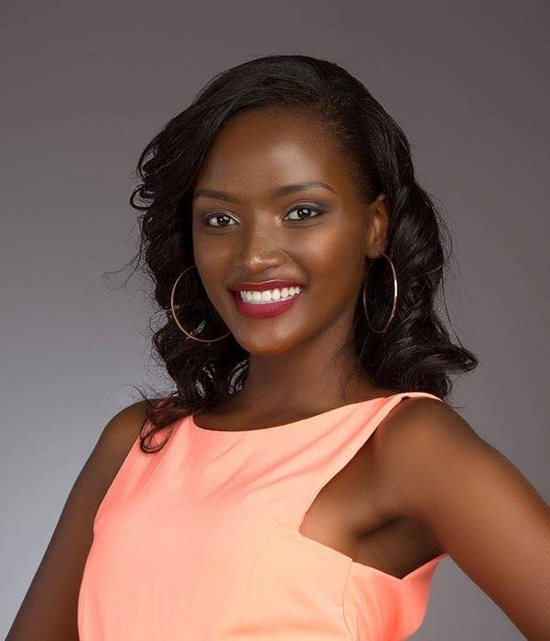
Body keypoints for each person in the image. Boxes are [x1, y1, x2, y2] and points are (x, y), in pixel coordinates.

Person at [6, 54, 550, 641]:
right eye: (220, 219)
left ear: (376, 225)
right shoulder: (137, 442)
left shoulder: (405, 446)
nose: (254, 255)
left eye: (301, 212)